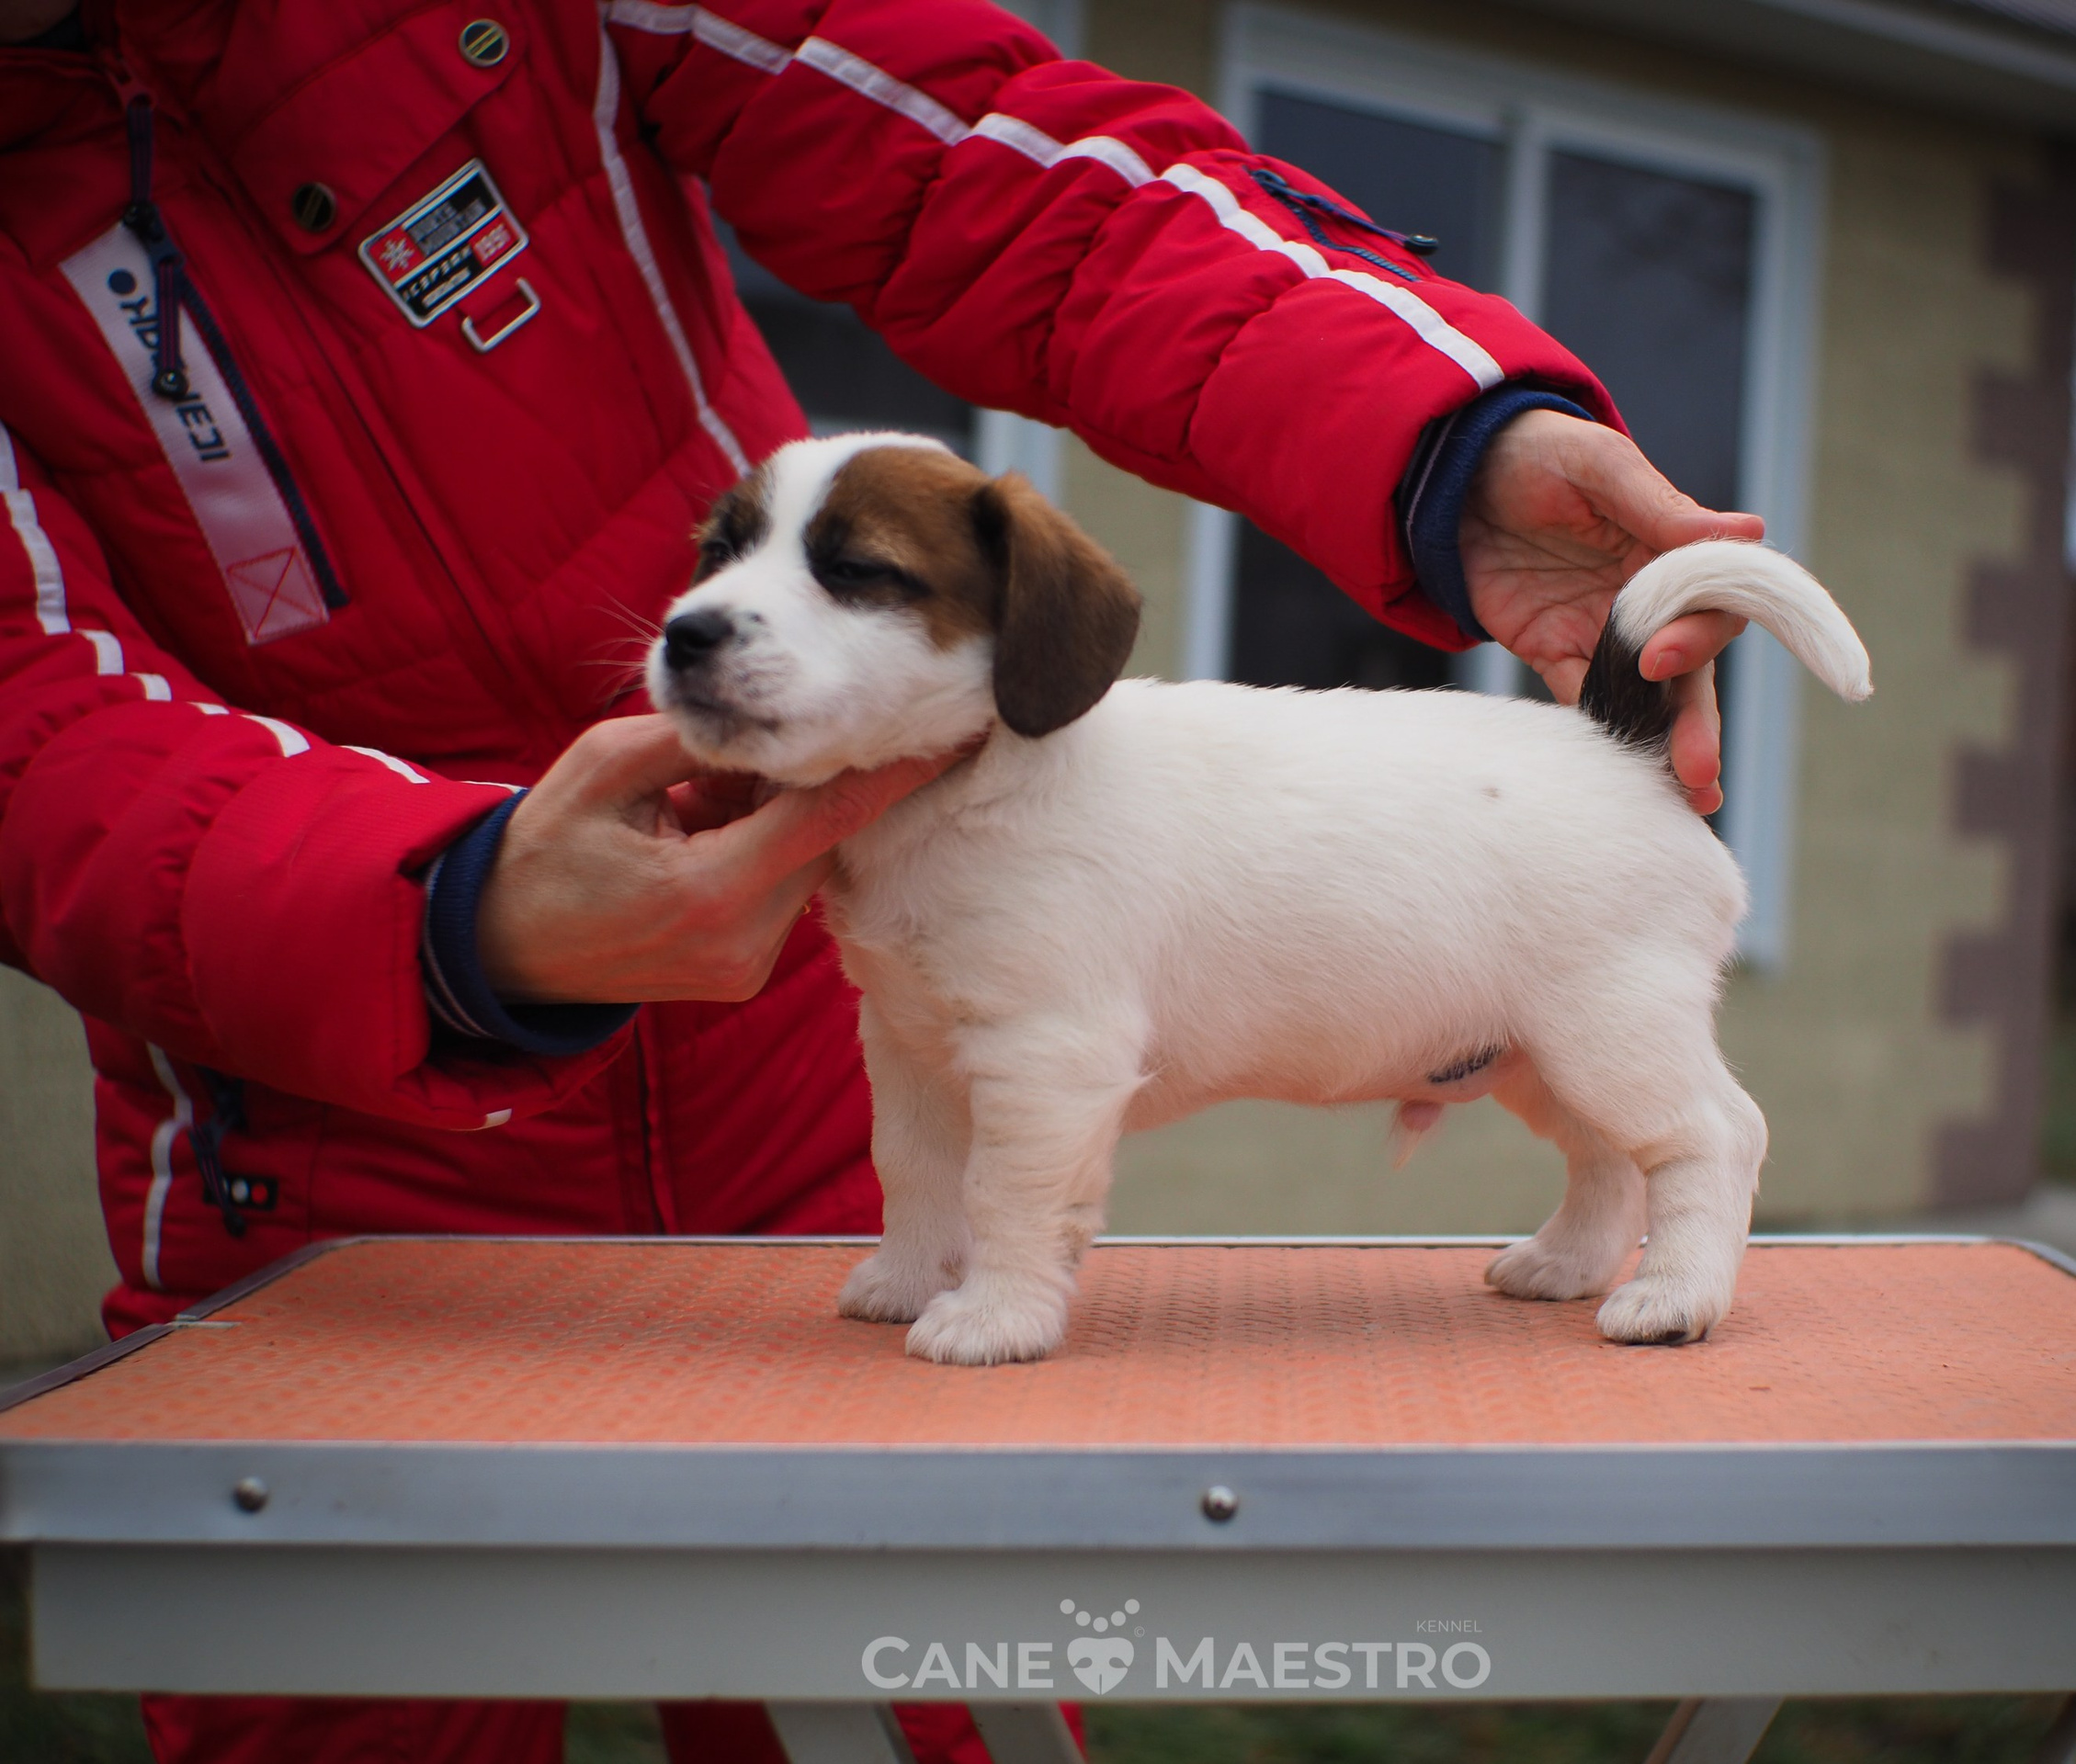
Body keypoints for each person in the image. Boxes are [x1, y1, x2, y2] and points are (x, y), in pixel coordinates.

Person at [0, 1, 1760, 1758]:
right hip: (327, 1096)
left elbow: (1020, 168)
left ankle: (1649, 1198)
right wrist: (450, 923)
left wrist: (1439, 427)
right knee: (349, 1710)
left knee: (925, 1680)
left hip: (777, 1087)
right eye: (731, 556)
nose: (716, 609)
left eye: (841, 573)